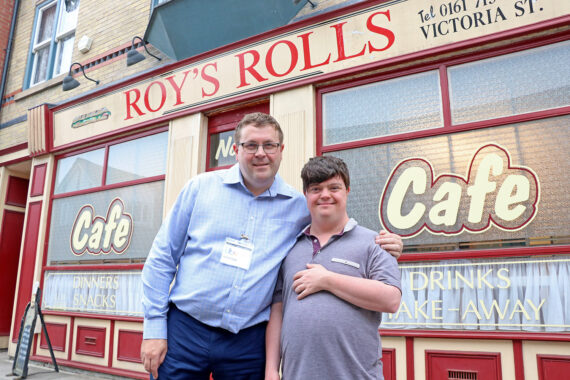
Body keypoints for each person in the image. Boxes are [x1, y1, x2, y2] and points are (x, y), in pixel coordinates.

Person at [141, 113, 403, 380]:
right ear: (236, 150)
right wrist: (153, 329)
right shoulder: (199, 189)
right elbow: (162, 259)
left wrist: (387, 241)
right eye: (251, 145)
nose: (260, 153)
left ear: (281, 150)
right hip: (185, 330)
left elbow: (332, 214)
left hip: (248, 341)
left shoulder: (297, 205)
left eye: (269, 145)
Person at [265, 156, 402, 380]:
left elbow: (391, 299)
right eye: (316, 189)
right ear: (306, 195)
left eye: (334, 187)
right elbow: (278, 310)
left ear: (347, 191)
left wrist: (327, 280)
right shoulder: (290, 248)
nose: (325, 195)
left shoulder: (375, 242)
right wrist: (271, 369)